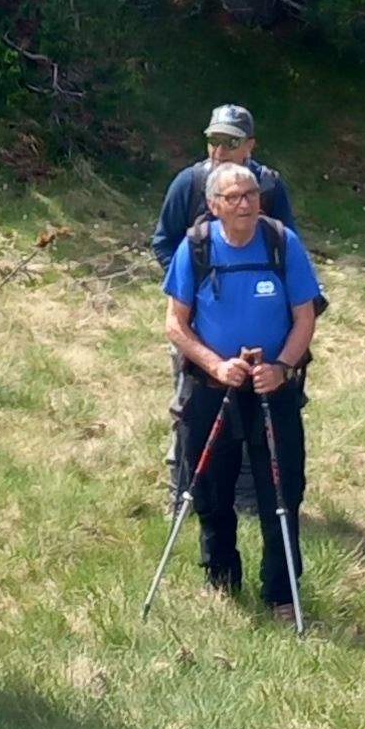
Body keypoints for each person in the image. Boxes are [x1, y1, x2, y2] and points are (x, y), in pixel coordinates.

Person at [163, 158, 324, 608]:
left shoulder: (280, 242)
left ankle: (281, 593)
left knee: (283, 492)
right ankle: (221, 584)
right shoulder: (195, 247)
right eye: (232, 197)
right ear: (213, 205)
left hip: (273, 388)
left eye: (251, 194)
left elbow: (304, 316)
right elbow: (176, 325)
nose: (245, 204)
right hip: (212, 389)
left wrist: (283, 367)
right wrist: (215, 365)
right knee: (211, 492)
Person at [149, 101, 298, 258]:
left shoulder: (269, 185)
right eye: (214, 141)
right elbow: (164, 243)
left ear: (249, 145)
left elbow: (289, 245)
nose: (220, 151)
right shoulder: (189, 182)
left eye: (231, 142)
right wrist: (188, 279)